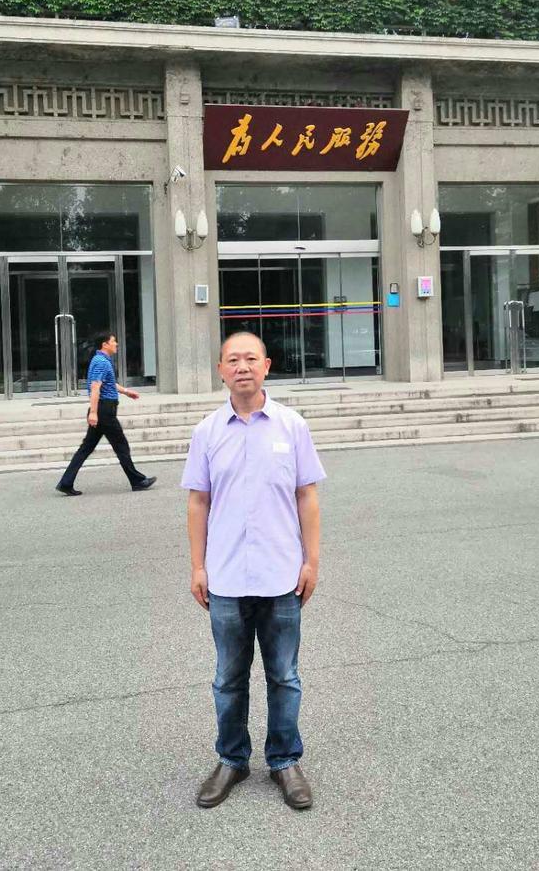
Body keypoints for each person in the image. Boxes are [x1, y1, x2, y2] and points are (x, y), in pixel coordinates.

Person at [181, 331, 325, 811]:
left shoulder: (292, 426)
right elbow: (198, 502)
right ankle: (232, 759)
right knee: (228, 678)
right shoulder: (207, 432)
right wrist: (198, 566)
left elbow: (307, 495)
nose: (242, 367)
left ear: (267, 366)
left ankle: (284, 760)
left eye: (250, 359)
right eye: (232, 360)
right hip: (225, 577)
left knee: (284, 676)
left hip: (281, 576)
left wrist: (311, 560)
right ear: (221, 371)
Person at [55, 331, 156, 497]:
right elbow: (95, 386)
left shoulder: (101, 360)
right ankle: (137, 481)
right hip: (104, 411)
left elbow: (109, 383)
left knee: (86, 448)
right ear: (105, 344)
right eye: (113, 341)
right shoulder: (101, 362)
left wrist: (126, 392)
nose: (116, 344)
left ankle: (66, 483)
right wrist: (93, 412)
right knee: (121, 446)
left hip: (103, 409)